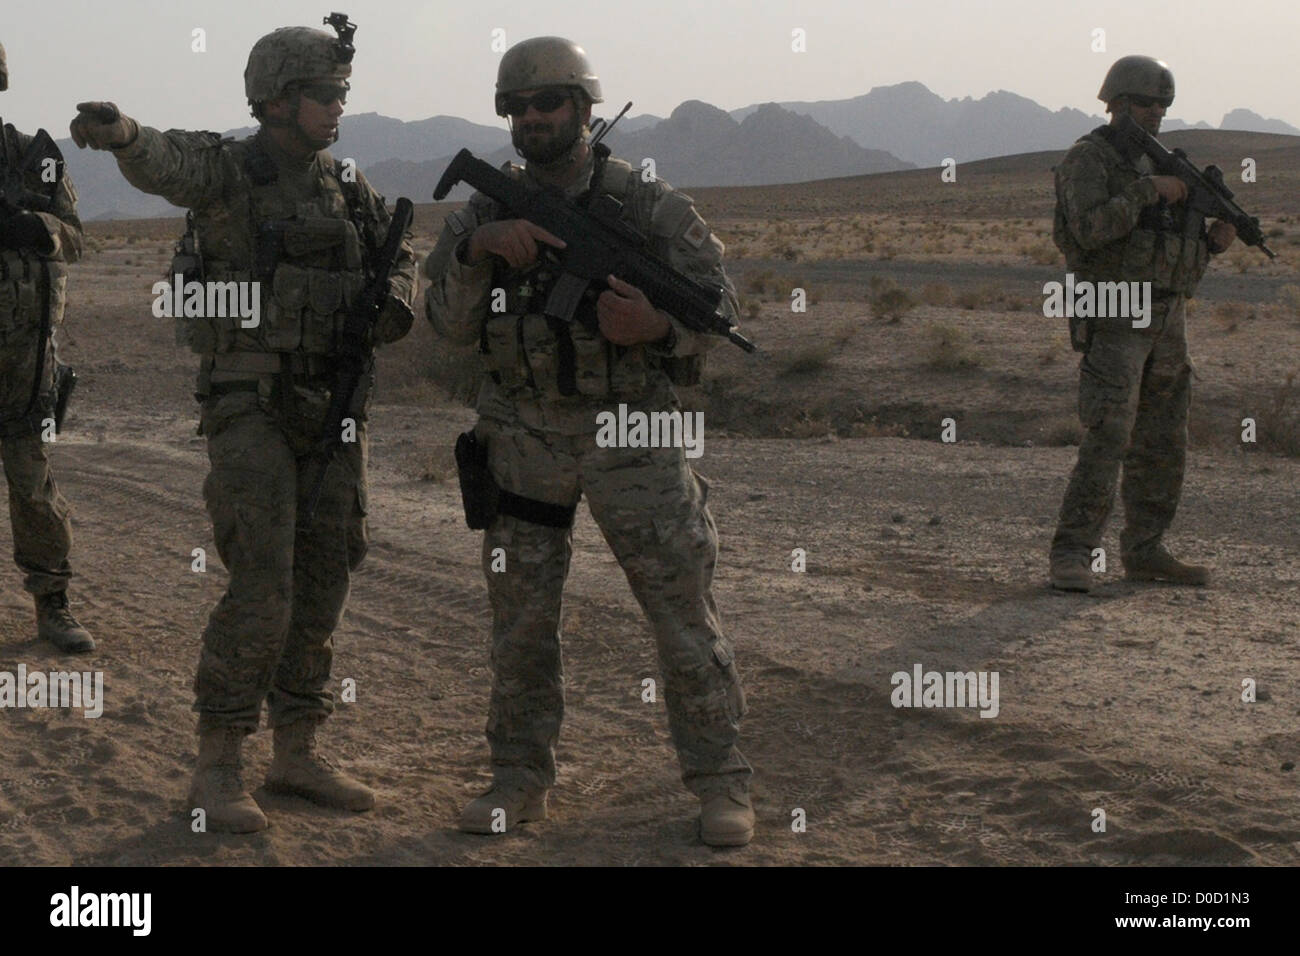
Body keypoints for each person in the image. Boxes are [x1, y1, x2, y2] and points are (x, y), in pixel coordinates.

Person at [69, 16, 416, 832]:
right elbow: (170, 164)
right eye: (324, 94)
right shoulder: (231, 169)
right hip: (251, 406)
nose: (337, 107)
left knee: (325, 579)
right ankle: (218, 762)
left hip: (334, 414)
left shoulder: (347, 185)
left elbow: (396, 256)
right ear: (277, 99)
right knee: (263, 585)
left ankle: (296, 752)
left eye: (341, 93)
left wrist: (393, 298)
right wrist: (123, 134)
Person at [424, 36, 755, 846]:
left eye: (552, 103)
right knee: (523, 622)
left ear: (584, 107)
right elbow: (442, 327)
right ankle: (519, 779)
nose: (536, 118)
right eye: (522, 106)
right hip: (523, 436)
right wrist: (477, 251)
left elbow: (720, 315)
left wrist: (658, 328)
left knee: (682, 616)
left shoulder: (647, 205)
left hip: (632, 434)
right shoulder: (483, 212)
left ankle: (720, 782)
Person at [1049, 55, 1236, 593]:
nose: (1156, 113)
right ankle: (1071, 553)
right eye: (1147, 103)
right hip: (1116, 308)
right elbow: (1085, 232)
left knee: (1163, 437)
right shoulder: (1090, 159)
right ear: (1117, 104)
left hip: (1166, 316)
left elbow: (1165, 248)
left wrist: (1209, 244)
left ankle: (1147, 550)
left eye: (1163, 105)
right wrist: (1146, 191)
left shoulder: (1166, 165)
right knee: (1109, 432)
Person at [0, 40, 94, 653]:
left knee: (34, 491)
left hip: (24, 365)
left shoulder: (33, 160)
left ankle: (52, 605)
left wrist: (36, 228)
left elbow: (77, 238)